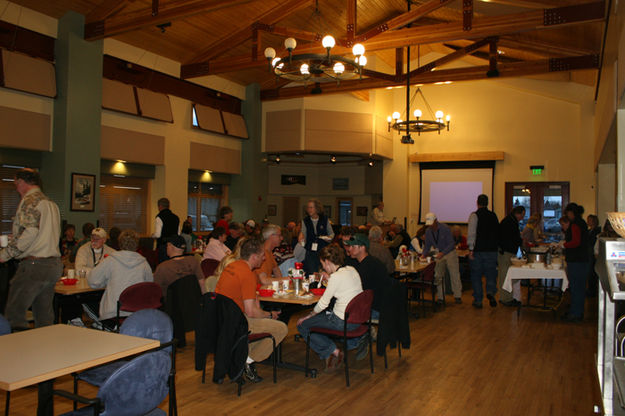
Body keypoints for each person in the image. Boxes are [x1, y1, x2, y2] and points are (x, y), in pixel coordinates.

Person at [215, 238, 288, 383]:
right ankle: (246, 360)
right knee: (281, 328)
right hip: (237, 321)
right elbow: (251, 312)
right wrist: (269, 315)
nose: (264, 258)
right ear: (253, 257)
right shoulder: (248, 275)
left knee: (261, 320)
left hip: (221, 319)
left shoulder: (231, 267)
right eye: (262, 256)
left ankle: (241, 353)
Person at [0, 168, 63, 329]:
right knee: (44, 315)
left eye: (16, 183)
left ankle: (19, 351)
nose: (16, 187)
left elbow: (30, 233)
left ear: (21, 182)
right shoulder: (50, 203)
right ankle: (45, 349)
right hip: (53, 264)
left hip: (35, 265)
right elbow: (43, 233)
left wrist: (5, 254)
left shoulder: (29, 201)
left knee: (14, 314)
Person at [297, 244, 363, 372]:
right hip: (357, 319)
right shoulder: (351, 269)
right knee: (317, 320)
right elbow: (340, 287)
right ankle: (332, 352)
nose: (323, 267)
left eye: (323, 264)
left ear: (327, 262)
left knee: (303, 324)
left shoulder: (336, 277)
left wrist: (309, 315)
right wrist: (330, 279)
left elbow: (323, 304)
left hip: (341, 321)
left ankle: (334, 352)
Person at [87, 229, 153, 321]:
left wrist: (106, 282)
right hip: (137, 312)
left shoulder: (110, 260)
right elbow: (149, 287)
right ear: (137, 245)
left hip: (113, 312)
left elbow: (92, 281)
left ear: (120, 243)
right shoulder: (144, 263)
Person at [422, 213, 463, 304]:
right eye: (429, 224)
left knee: (454, 274)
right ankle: (440, 297)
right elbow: (427, 246)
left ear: (436, 221)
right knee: (438, 275)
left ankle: (457, 295)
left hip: (449, 252)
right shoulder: (428, 231)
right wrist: (423, 254)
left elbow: (451, 243)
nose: (430, 226)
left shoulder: (445, 228)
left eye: (431, 223)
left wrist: (443, 253)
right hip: (439, 253)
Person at [467, 194, 499, 309]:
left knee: (476, 275)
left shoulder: (474, 216)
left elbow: (471, 234)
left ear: (477, 203)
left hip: (478, 250)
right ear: (488, 203)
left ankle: (478, 300)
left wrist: (471, 249)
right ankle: (490, 292)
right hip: (492, 250)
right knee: (491, 274)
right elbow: (497, 233)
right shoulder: (493, 215)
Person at [560, 203, 590, 322]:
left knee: (576, 287)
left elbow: (576, 242)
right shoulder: (581, 223)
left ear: (571, 213)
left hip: (577, 260)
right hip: (581, 259)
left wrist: (564, 244)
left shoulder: (576, 224)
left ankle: (575, 313)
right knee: (579, 287)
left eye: (567, 213)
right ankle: (577, 311)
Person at [498, 205, 526, 307]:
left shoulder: (509, 220)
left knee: (506, 275)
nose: (522, 218)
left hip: (506, 251)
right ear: (519, 213)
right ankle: (505, 299)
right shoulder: (510, 222)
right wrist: (521, 242)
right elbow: (513, 239)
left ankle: (506, 297)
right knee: (505, 276)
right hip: (506, 252)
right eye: (522, 215)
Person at [299, 199, 334, 275]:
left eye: (311, 207)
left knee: (323, 272)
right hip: (310, 251)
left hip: (323, 250)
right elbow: (303, 234)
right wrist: (301, 238)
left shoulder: (324, 219)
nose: (309, 210)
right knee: (312, 272)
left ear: (317, 208)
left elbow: (331, 234)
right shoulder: (305, 221)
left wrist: (328, 239)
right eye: (308, 208)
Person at [152, 197, 180, 263]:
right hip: (174, 247)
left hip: (163, 247)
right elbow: (178, 233)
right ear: (168, 206)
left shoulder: (159, 217)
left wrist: (153, 235)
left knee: (163, 266)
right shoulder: (176, 217)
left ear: (160, 206)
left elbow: (158, 235)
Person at [586, 214, 601, 296]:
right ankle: (590, 289)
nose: (588, 222)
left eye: (589, 220)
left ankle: (592, 291)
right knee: (589, 272)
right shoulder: (589, 231)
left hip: (593, 254)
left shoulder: (597, 231)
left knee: (592, 272)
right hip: (589, 254)